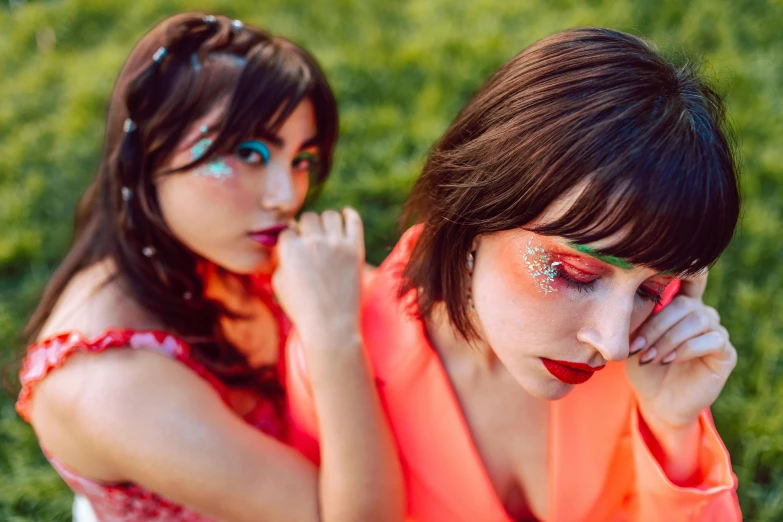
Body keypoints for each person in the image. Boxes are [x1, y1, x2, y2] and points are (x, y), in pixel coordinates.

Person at [287, 27, 742, 521]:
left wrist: (674, 432)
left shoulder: (650, 361)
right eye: (576, 273)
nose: (611, 343)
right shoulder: (337, 359)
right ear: (475, 212)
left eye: (651, 289)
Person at [16, 11, 403, 522]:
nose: (286, 197)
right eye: (248, 152)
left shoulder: (217, 248)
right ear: (148, 152)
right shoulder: (113, 385)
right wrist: (333, 338)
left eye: (300, 160)